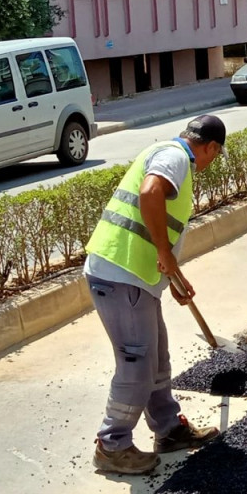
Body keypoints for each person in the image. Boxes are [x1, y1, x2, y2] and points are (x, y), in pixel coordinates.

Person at [84, 115, 227, 475]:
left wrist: (173, 277)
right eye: (215, 155)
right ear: (210, 147)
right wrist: (165, 255)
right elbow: (150, 194)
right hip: (120, 274)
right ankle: (112, 444)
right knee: (138, 365)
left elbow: (157, 226)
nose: (211, 162)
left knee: (157, 359)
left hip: (137, 277)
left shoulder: (170, 152)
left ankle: (168, 430)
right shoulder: (177, 157)